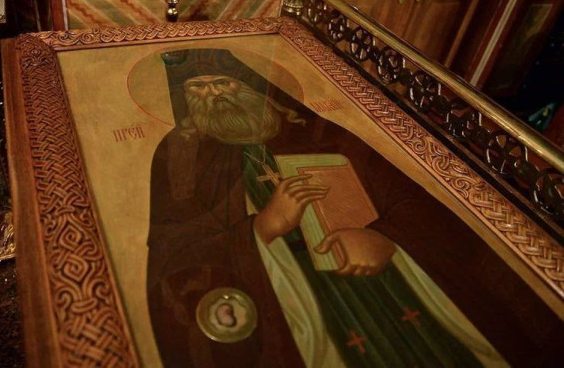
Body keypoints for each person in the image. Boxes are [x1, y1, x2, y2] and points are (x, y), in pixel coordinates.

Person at [146, 49, 487, 367]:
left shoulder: (309, 128)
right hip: (296, 302)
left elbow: (410, 197)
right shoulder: (181, 157)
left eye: (223, 82)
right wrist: (262, 228)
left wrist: (386, 237)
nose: (214, 94)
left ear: (247, 85)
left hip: (394, 283)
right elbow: (174, 256)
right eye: (198, 87)